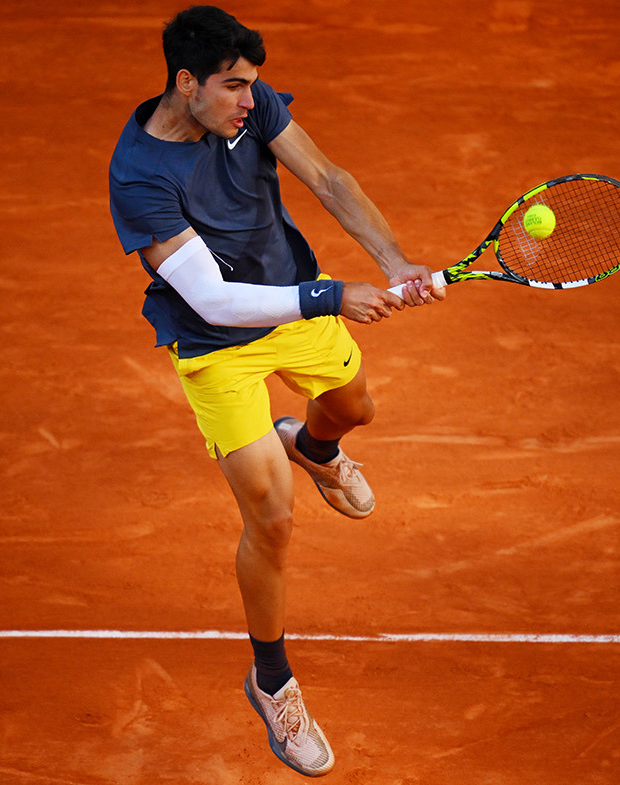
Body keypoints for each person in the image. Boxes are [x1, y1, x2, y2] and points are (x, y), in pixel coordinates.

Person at [108, 5, 443, 776]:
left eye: (253, 84)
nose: (250, 100)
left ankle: (314, 445)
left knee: (357, 407)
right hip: (218, 342)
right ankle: (273, 679)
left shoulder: (250, 106)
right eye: (232, 87)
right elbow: (216, 300)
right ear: (185, 84)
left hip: (290, 297)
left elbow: (326, 176)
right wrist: (332, 296)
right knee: (275, 518)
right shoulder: (140, 175)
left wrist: (393, 261)